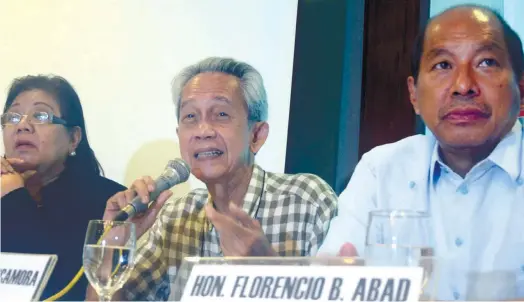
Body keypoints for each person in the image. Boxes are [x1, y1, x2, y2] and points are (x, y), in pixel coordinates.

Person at [86, 57, 338, 300]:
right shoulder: (174, 218)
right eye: (190, 117)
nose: (202, 131)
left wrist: (268, 272)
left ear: (257, 135)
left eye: (221, 114)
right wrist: (113, 247)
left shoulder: (307, 201)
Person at [318, 4, 524, 301]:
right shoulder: (381, 169)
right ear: (414, 94)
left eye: (486, 62)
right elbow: (335, 277)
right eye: (442, 65)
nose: (463, 86)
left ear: (521, 87)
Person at [1, 75, 126, 301]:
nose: (22, 126)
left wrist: (12, 197)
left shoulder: (108, 203)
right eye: (13, 117)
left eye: (40, 116)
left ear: (73, 139)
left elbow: (57, 289)